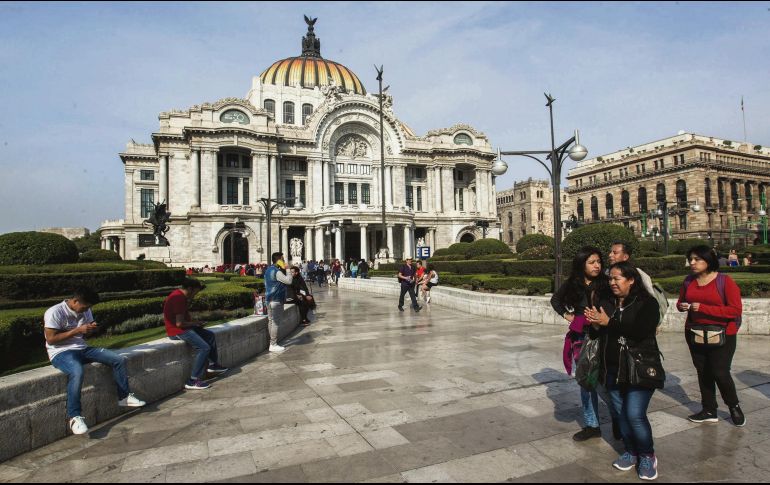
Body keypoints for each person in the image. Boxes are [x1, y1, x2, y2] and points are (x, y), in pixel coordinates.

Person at [585, 262, 663, 481]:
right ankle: (631, 451)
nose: (612, 282)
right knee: (621, 415)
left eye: (617, 278)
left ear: (631, 280)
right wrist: (595, 325)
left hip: (638, 368)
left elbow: (640, 332)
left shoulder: (647, 304)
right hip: (612, 368)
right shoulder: (607, 302)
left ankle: (647, 455)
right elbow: (600, 332)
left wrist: (609, 322)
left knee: (635, 415)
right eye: (610, 278)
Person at [45, 287, 146, 436]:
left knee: (117, 359)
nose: (86, 310)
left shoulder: (85, 310)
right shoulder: (55, 312)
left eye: (89, 307)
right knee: (77, 371)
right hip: (60, 353)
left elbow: (87, 332)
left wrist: (91, 329)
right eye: (85, 307)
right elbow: (51, 339)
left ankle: (124, 397)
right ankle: (74, 417)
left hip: (82, 348)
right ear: (75, 301)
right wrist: (77, 331)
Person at [550, 246, 614, 442]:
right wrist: (570, 317)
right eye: (592, 262)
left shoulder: (605, 283)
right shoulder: (573, 283)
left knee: (607, 383)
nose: (597, 266)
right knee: (586, 384)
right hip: (580, 337)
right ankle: (592, 424)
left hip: (603, 336)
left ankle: (619, 419)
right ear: (582, 264)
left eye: (598, 262)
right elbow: (556, 300)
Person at [676, 245, 745, 426]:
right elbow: (680, 302)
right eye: (690, 259)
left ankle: (733, 406)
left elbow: (735, 310)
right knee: (703, 372)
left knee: (720, 372)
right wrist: (683, 306)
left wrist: (704, 308)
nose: (692, 263)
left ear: (708, 260)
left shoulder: (724, 281)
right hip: (695, 332)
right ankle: (709, 409)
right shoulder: (688, 281)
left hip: (722, 334)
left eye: (697, 259)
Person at [164, 278, 229, 390]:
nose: (195, 295)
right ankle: (193, 380)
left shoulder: (181, 296)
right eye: (195, 292)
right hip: (177, 331)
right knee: (204, 348)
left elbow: (183, 319)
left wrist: (195, 324)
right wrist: (194, 323)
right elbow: (179, 324)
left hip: (184, 328)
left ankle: (213, 365)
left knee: (210, 335)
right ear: (190, 289)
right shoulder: (178, 298)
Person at [264, 252, 295, 352]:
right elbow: (289, 281)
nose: (284, 261)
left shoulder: (268, 270)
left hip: (268, 299)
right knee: (275, 323)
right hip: (276, 300)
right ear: (279, 260)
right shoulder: (277, 271)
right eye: (283, 259)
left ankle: (272, 342)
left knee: (271, 321)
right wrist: (287, 269)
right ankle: (273, 344)